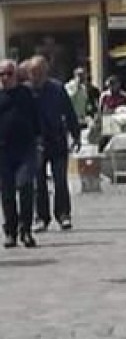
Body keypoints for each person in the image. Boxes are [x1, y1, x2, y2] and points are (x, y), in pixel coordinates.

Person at [28, 55, 81, 232]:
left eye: (39, 72)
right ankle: (41, 218)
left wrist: (76, 135)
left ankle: (63, 215)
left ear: (45, 71)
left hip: (57, 140)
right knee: (38, 183)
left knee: (60, 180)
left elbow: (69, 113)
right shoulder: (26, 91)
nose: (35, 76)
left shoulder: (57, 89)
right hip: (35, 142)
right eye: (33, 73)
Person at [0, 60, 41, 248]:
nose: (5, 78)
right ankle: (10, 231)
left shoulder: (26, 94)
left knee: (25, 188)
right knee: (7, 193)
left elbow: (36, 118)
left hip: (25, 149)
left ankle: (26, 230)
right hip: (3, 151)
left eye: (8, 73)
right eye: (1, 74)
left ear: (16, 75)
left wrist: (40, 142)